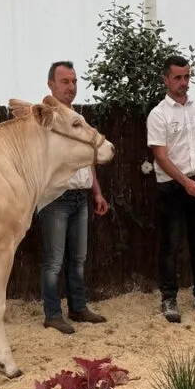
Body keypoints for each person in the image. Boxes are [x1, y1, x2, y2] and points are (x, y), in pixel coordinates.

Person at [146, 55, 195, 323]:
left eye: (187, 77)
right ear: (166, 79)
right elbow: (161, 156)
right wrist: (185, 183)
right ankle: (169, 299)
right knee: (170, 246)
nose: (183, 83)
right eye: (178, 77)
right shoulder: (158, 114)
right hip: (172, 187)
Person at [37, 61, 110, 334]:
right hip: (55, 196)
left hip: (80, 196)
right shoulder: (45, 120)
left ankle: (78, 308)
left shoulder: (78, 118)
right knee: (54, 261)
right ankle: (52, 314)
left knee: (78, 258)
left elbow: (88, 155)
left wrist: (97, 191)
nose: (71, 87)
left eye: (74, 81)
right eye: (65, 81)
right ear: (51, 85)